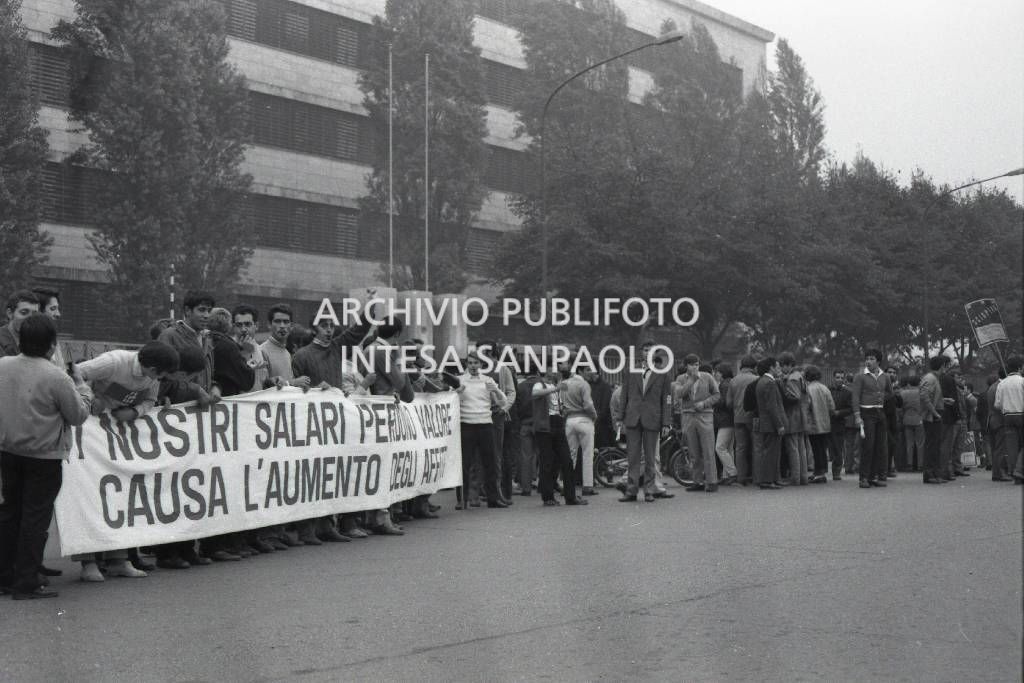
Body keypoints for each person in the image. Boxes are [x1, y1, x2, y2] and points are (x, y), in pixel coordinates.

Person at [0, 314, 93, 599]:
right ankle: (26, 582)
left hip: (8, 450)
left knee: (10, 514)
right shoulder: (56, 376)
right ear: (52, 345)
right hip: (44, 456)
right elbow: (77, 415)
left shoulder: (3, 365)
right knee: (35, 519)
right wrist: (83, 388)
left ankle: (5, 576)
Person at [74, 340, 180, 580]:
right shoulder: (113, 362)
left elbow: (150, 401)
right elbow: (73, 373)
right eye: (160, 375)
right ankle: (88, 564)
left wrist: (133, 412)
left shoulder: (153, 377)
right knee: (88, 496)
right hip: (90, 435)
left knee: (120, 496)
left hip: (117, 439)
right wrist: (90, 398)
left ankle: (118, 560)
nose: (160, 379)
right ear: (152, 368)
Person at [614, 341, 672, 503]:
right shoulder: (630, 371)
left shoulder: (663, 373)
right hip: (633, 418)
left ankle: (649, 490)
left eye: (651, 350)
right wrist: (620, 417)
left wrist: (666, 422)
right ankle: (631, 491)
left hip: (653, 418)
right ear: (641, 352)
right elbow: (624, 395)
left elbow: (667, 400)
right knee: (632, 457)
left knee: (650, 457)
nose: (648, 353)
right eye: (646, 350)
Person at [455, 352, 510, 508]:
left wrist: (496, 391)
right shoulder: (460, 380)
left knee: (490, 463)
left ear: (481, 364)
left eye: (476, 363)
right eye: (470, 363)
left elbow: (503, 402)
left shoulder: (488, 380)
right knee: (465, 464)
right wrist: (457, 393)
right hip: (466, 424)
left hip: (485, 424)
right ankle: (462, 500)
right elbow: (450, 401)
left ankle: (493, 499)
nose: (473, 366)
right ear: (466, 364)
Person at [677, 354, 721, 493]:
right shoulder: (680, 379)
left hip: (705, 415)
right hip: (688, 416)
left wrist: (704, 403)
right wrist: (692, 380)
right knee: (693, 451)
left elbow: (717, 394)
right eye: (691, 365)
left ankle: (712, 481)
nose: (695, 367)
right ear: (686, 366)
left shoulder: (707, 377)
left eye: (697, 364)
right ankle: (697, 481)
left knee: (708, 450)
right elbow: (680, 394)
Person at [851, 348, 891, 489]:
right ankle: (864, 478)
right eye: (867, 359)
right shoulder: (860, 376)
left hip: (880, 412)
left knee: (881, 447)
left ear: (878, 361)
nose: (868, 361)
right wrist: (857, 416)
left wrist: (882, 400)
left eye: (872, 359)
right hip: (866, 413)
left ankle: (877, 476)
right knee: (868, 446)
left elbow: (889, 393)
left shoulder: (885, 376)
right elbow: (855, 397)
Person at [559, 359, 598, 496]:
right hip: (584, 420)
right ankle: (587, 486)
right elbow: (588, 405)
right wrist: (594, 416)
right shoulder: (584, 384)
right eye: (587, 370)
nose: (590, 372)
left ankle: (566, 485)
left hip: (569, 421)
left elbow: (561, 404)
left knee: (571, 455)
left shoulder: (564, 383)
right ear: (580, 371)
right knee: (587, 454)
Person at [753, 356, 786, 490]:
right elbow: (772, 406)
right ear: (771, 367)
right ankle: (767, 480)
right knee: (771, 453)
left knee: (771, 452)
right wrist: (779, 424)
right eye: (777, 366)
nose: (779, 369)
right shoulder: (770, 383)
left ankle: (773, 479)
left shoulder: (762, 381)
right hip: (771, 423)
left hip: (766, 422)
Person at [727, 356, 759, 485]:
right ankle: (757, 477)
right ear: (754, 367)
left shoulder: (733, 380)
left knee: (740, 449)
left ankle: (741, 478)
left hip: (738, 418)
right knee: (756, 447)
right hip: (753, 418)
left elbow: (729, 403)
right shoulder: (756, 379)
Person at [779, 353, 809, 486]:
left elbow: (795, 396)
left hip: (792, 416)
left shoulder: (791, 379)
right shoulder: (800, 376)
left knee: (793, 448)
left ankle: (795, 478)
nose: (781, 369)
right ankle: (803, 477)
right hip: (801, 415)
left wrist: (783, 387)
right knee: (801, 448)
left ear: (788, 365)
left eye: (782, 366)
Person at [920, 356, 951, 484]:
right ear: (942, 365)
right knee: (932, 446)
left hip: (934, 414)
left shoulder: (933, 378)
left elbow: (929, 396)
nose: (947, 368)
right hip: (932, 416)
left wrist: (943, 400)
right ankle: (930, 474)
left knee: (934, 445)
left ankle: (934, 473)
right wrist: (935, 413)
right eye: (946, 365)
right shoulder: (931, 378)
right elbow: (924, 396)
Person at [994, 355, 1024, 484]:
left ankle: (1013, 472)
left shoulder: (1002, 384)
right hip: (1021, 414)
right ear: (1020, 367)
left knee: (1012, 446)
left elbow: (997, 404)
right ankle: (1019, 471)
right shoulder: (1022, 381)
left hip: (1007, 416)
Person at [804, 365, 834, 484]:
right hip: (825, 424)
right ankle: (821, 472)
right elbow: (832, 407)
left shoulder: (808, 389)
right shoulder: (825, 388)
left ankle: (819, 473)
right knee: (822, 448)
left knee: (815, 449)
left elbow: (806, 407)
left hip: (813, 424)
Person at [712, 364, 738, 486]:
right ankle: (726, 475)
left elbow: (723, 402)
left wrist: (712, 400)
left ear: (722, 373)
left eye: (717, 372)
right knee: (728, 448)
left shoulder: (724, 385)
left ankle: (732, 473)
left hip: (725, 420)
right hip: (731, 419)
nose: (715, 374)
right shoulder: (730, 382)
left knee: (720, 447)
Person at [829, 370, 855, 481]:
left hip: (839, 423)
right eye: (837, 377)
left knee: (838, 448)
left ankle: (836, 471)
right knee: (827, 448)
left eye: (841, 377)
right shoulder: (828, 390)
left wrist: (839, 413)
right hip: (826, 422)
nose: (839, 379)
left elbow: (851, 409)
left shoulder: (848, 392)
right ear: (833, 378)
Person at [0, 289, 40, 357]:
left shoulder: (37, 342)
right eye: (24, 313)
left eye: (34, 315)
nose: (30, 318)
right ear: (10, 313)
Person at [899, 375, 925, 472]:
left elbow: (901, 407)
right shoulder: (921, 393)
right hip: (919, 419)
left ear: (909, 383)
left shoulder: (903, 393)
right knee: (920, 443)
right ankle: (920, 465)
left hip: (907, 419)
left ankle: (909, 464)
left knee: (909, 443)